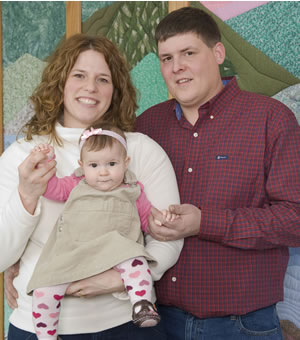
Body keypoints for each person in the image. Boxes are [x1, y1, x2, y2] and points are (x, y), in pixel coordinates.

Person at [0, 33, 183, 339]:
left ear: (115, 90)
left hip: (127, 325)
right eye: (79, 75)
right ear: (60, 81)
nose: (90, 88)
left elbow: (168, 237)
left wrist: (119, 280)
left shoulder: (139, 150)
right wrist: (27, 196)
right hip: (35, 327)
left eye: (103, 79)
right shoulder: (22, 156)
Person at [136, 6, 300, 340]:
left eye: (188, 53)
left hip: (243, 326)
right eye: (166, 58)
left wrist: (204, 222)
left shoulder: (272, 120)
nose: (176, 66)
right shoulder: (147, 126)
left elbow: (294, 220)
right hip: (156, 321)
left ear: (218, 52)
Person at [27, 122, 178, 339]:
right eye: (94, 166)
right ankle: (46, 334)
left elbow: (147, 219)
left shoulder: (132, 190)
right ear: (82, 165)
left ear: (126, 163)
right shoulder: (76, 183)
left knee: (136, 261)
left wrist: (162, 220)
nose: (104, 172)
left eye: (112, 163)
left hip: (115, 251)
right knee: (45, 287)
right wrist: (45, 164)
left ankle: (142, 304)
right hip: (74, 250)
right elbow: (52, 189)